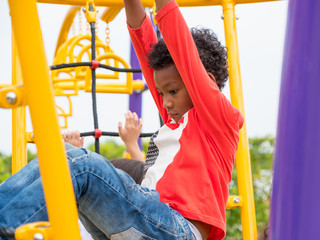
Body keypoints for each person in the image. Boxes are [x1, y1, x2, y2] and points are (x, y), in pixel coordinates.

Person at [0, 1, 243, 240]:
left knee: (84, 166)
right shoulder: (176, 116)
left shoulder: (216, 119)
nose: (166, 102)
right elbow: (143, 41)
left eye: (173, 92)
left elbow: (182, 48)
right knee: (59, 155)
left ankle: (5, 226)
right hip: (147, 224)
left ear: (204, 82)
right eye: (162, 93)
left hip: (178, 230)